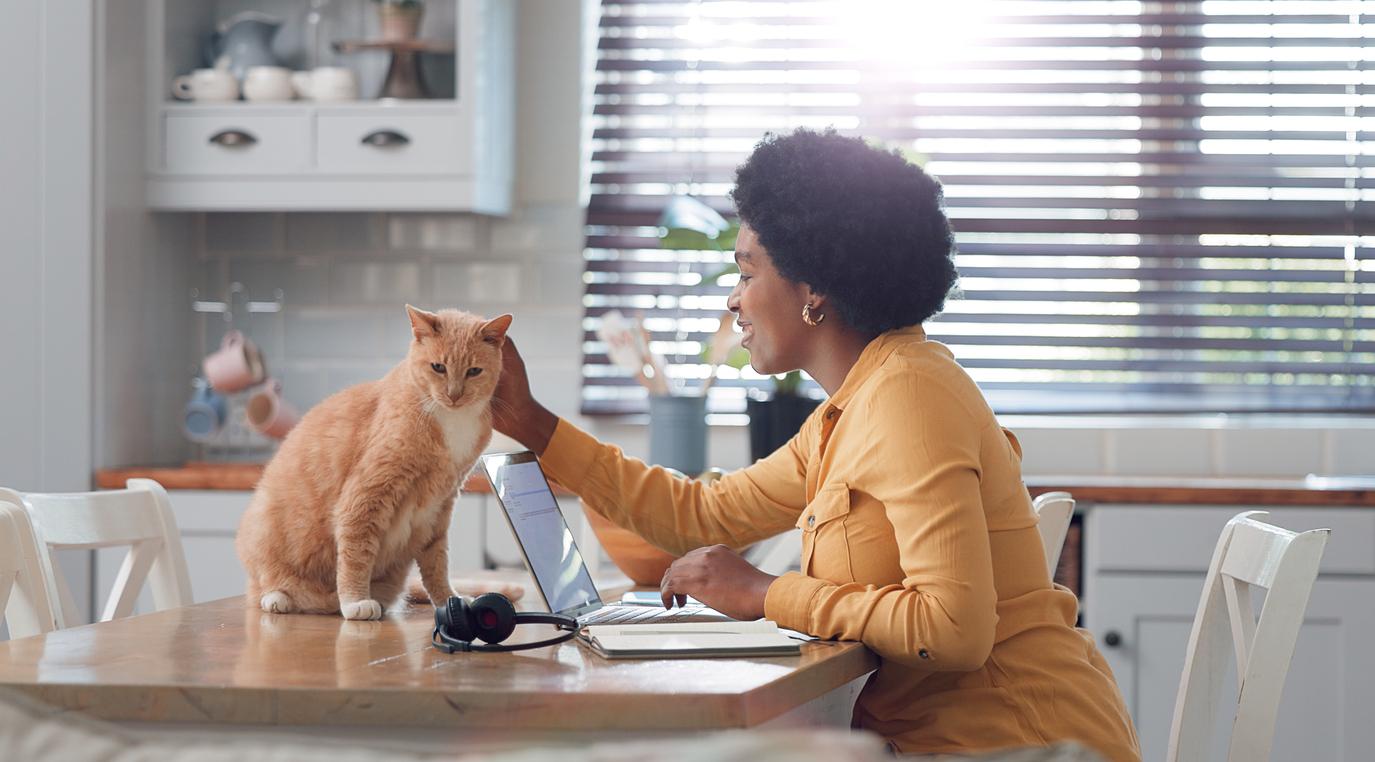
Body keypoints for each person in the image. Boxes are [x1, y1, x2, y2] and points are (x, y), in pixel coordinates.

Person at [491, 128, 1140, 761]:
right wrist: (531, 423)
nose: (733, 298)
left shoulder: (908, 397)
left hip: (1020, 744)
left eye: (747, 271)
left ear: (814, 287)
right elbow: (700, 515)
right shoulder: (852, 407)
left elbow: (952, 631)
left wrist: (764, 593)